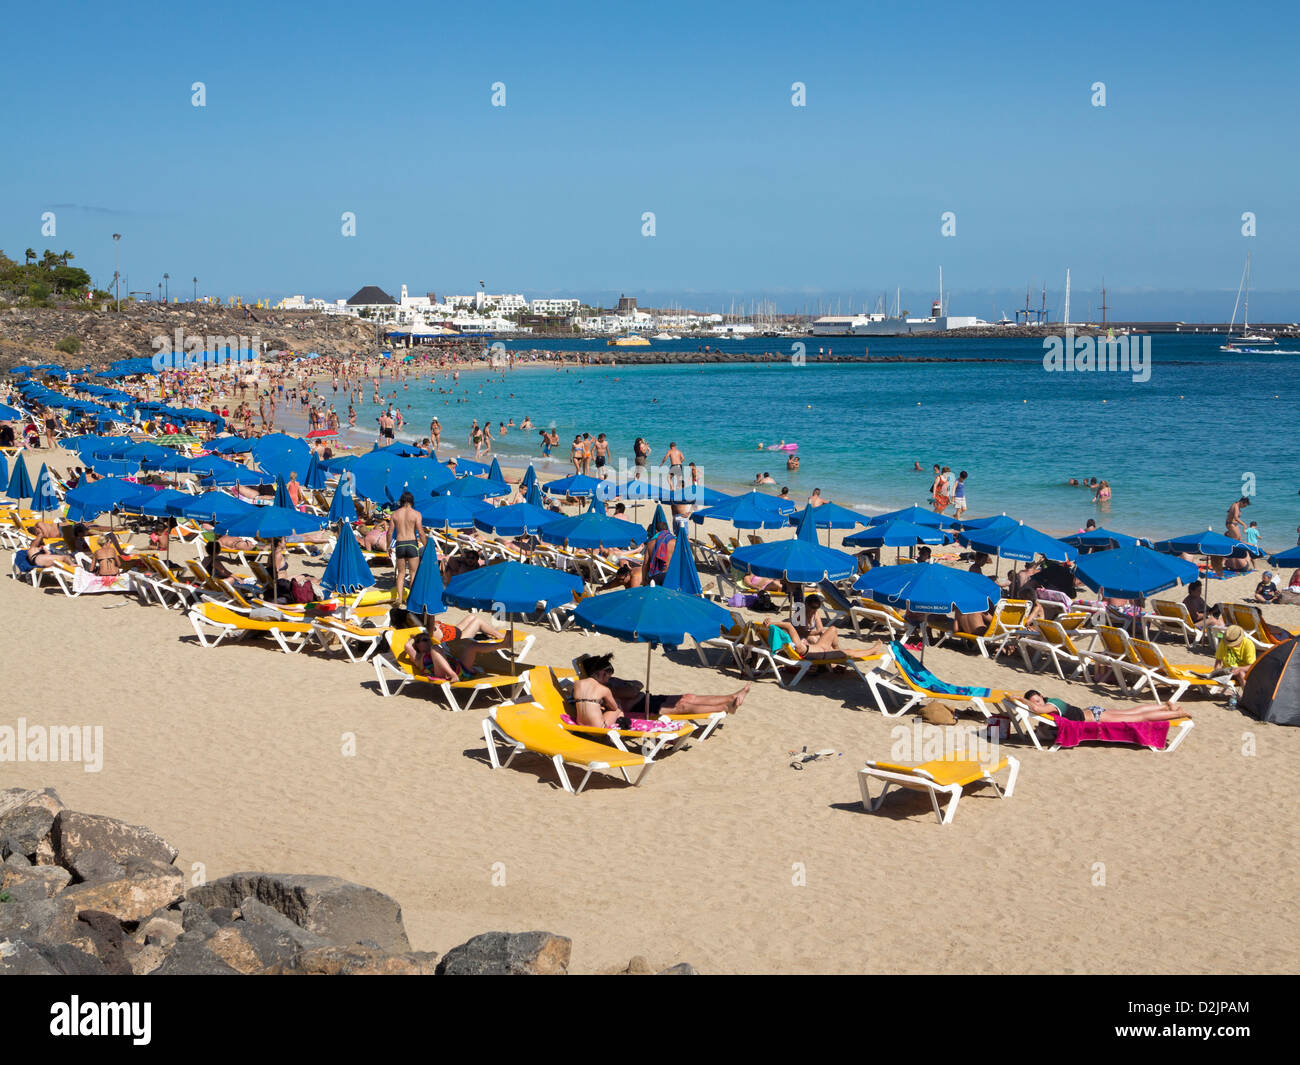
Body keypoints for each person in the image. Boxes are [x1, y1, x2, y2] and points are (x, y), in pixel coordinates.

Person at [570, 653, 750, 728]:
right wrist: (623, 688)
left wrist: (625, 686)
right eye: (608, 673)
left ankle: (731, 697)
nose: (611, 676)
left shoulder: (603, 685)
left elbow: (637, 684)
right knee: (684, 704)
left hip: (646, 699)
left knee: (688, 697)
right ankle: (726, 706)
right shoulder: (605, 688)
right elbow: (632, 692)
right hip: (643, 707)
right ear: (600, 673)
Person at [1022, 690, 1192, 724]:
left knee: (1140, 718)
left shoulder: (1051, 705)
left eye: (1038, 700)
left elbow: (1037, 710)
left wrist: (1020, 699)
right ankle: (1164, 706)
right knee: (1132, 711)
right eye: (1035, 701)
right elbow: (1037, 708)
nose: (1038, 703)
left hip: (1095, 717)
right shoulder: (1053, 700)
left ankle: (1177, 714)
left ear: (1043, 697)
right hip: (1092, 711)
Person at [386, 491, 426, 599]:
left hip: (399, 544)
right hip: (412, 543)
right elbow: (421, 533)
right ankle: (411, 598)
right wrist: (426, 546)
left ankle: (399, 599)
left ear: (402, 501)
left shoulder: (395, 514)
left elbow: (389, 533)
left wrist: (388, 547)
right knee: (413, 573)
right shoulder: (416, 514)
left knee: (401, 573)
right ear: (412, 501)